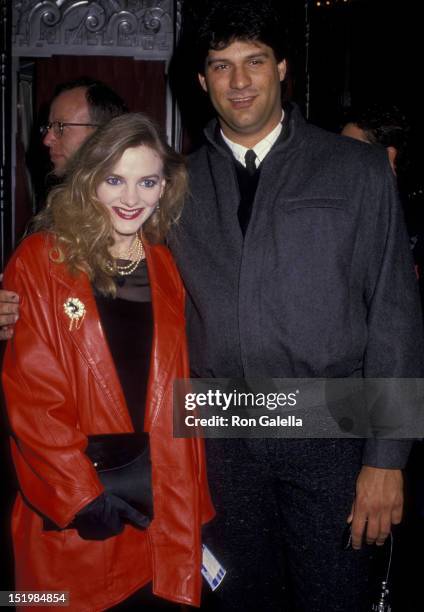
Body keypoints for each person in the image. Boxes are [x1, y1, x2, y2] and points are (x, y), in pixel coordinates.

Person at [166, 1, 424, 610]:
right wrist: (26, 299)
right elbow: (109, 269)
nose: (239, 81)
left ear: (282, 68)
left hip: (331, 435)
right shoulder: (174, 181)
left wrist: (387, 459)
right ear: (202, 80)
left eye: (254, 61)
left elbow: (394, 315)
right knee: (236, 603)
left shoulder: (356, 169)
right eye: (221, 66)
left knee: (333, 599)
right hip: (219, 436)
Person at [1, 112, 214, 611]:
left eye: (148, 182)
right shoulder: (41, 259)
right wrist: (80, 495)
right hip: (77, 511)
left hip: (157, 507)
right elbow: (32, 397)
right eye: (115, 179)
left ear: (165, 188)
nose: (131, 197)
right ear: (90, 178)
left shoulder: (167, 265)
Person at [0, 77, 127, 340]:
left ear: (102, 134)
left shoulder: (147, 218)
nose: (47, 139)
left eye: (60, 127)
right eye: (49, 127)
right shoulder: (51, 221)